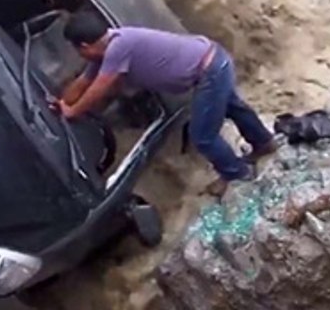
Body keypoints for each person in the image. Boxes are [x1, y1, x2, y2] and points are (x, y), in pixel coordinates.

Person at [55, 11, 276, 196]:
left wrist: (73, 112)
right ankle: (264, 142)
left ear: (84, 46)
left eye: (78, 50)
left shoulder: (118, 48)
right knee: (233, 107)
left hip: (209, 71)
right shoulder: (109, 48)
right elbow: (83, 82)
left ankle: (237, 174)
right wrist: (61, 104)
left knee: (202, 136)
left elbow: (98, 88)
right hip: (213, 59)